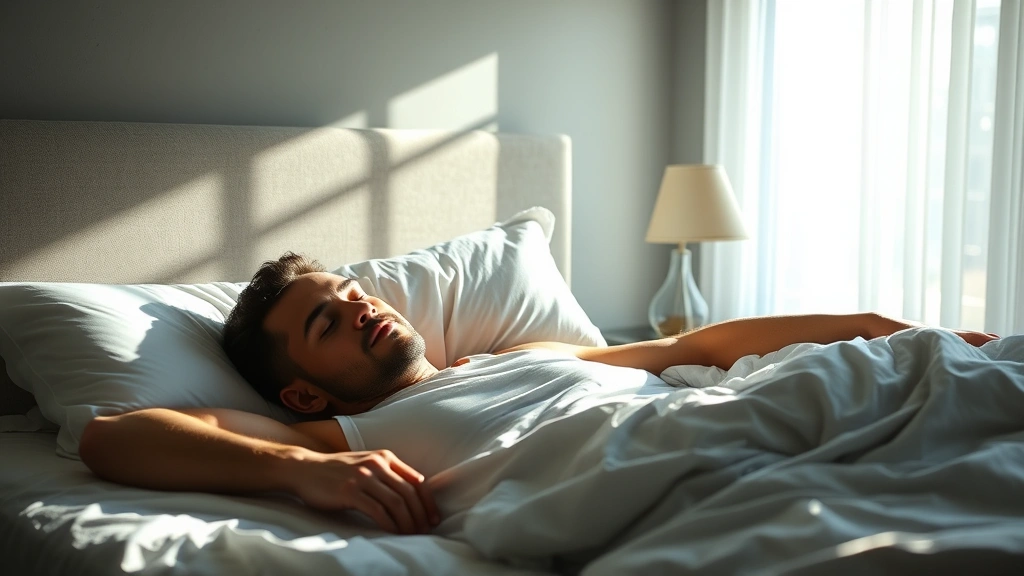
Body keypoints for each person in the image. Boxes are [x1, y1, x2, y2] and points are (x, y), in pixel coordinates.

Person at [79, 253, 998, 537]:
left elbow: (696, 344)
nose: (360, 309)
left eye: (352, 294)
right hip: (676, 476)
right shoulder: (342, 430)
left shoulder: (532, 349)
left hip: (752, 408)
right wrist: (300, 470)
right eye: (327, 322)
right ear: (301, 389)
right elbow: (113, 436)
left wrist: (886, 331)